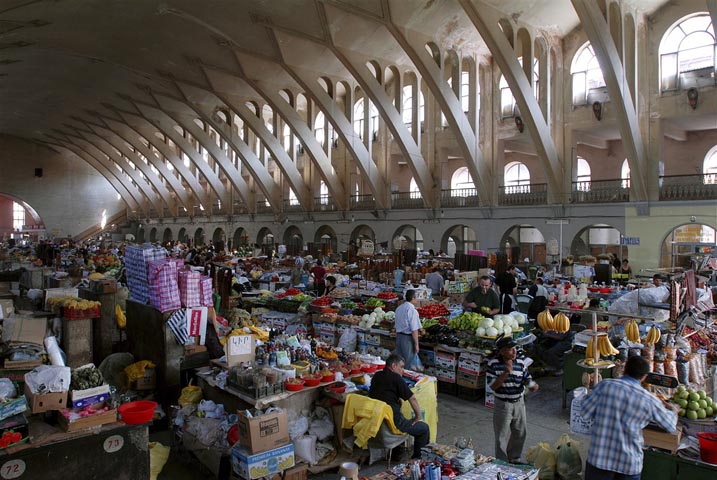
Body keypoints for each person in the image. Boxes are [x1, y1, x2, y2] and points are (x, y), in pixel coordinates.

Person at [581, 355, 678, 479]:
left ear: (625, 369)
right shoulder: (649, 399)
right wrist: (673, 410)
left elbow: (584, 412)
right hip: (629, 464)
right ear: (644, 377)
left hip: (599, 459)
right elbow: (670, 425)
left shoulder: (605, 386)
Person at [487, 336, 539, 463]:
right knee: (501, 436)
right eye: (511, 349)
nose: (515, 351)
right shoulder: (493, 364)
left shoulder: (521, 363)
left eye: (515, 348)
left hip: (519, 404)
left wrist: (532, 386)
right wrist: (506, 372)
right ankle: (502, 461)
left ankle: (514, 457)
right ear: (502, 351)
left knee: (520, 433)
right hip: (503, 405)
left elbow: (527, 380)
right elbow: (493, 386)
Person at [369, 353, 430, 459]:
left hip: (376, 421)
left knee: (400, 414)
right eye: (401, 367)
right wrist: (418, 417)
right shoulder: (396, 379)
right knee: (424, 428)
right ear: (393, 366)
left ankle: (396, 455)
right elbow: (413, 399)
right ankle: (418, 460)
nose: (403, 370)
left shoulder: (377, 376)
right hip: (393, 423)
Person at [394, 289, 421, 368]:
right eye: (416, 297)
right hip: (407, 339)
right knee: (408, 363)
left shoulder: (399, 308)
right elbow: (414, 329)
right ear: (413, 298)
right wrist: (416, 344)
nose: (417, 299)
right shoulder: (412, 310)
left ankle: (399, 378)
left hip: (399, 337)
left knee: (399, 362)